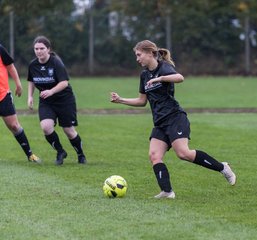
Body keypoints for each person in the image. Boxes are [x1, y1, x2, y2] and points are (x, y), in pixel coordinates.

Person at [110, 40, 236, 199]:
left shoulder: (163, 67)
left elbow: (180, 77)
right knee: (154, 155)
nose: (137, 59)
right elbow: (142, 101)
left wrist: (160, 79)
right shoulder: (144, 75)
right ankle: (167, 192)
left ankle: (223, 168)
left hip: (175, 117)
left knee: (183, 153)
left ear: (150, 53)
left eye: (139, 55)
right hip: (160, 122)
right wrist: (121, 100)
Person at [27, 36, 86, 165]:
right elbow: (31, 80)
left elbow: (64, 83)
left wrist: (51, 91)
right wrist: (30, 96)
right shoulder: (33, 65)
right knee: (46, 127)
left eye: (42, 48)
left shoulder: (56, 63)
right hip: (46, 101)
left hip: (64, 100)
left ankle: (81, 154)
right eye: (36, 49)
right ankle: (60, 151)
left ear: (48, 49)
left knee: (68, 131)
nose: (39, 51)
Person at [0, 43, 41, 163]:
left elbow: (10, 66)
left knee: (14, 126)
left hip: (2, 96)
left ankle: (30, 155)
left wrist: (18, 84)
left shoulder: (0, 49)